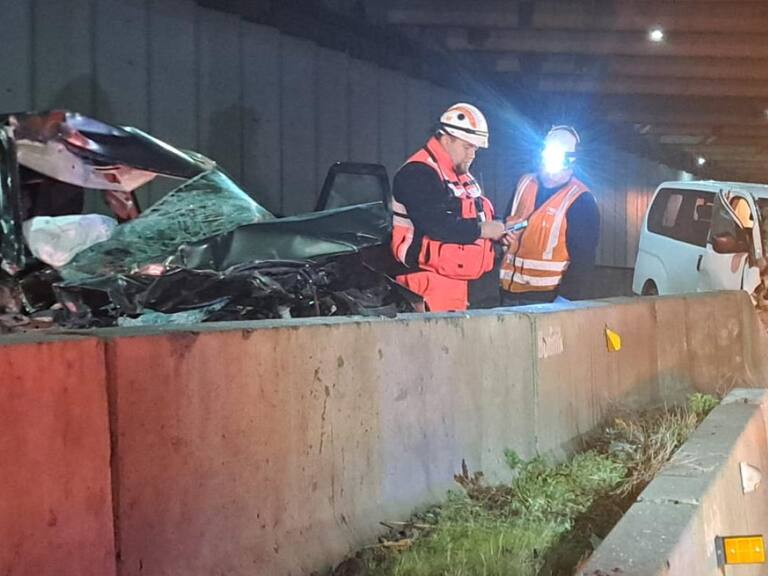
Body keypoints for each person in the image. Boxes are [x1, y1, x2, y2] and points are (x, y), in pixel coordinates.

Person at [390, 103, 506, 312]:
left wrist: (498, 231)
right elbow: (436, 223)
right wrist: (483, 230)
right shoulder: (418, 172)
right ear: (446, 138)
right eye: (467, 146)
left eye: (475, 149)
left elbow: (474, 211)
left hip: (450, 280)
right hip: (423, 282)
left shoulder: (458, 174)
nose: (472, 154)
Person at [499, 125, 600, 306]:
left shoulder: (581, 199)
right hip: (509, 291)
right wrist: (503, 237)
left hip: (547, 298)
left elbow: (583, 261)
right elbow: (508, 221)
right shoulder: (525, 183)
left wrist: (565, 302)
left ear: (571, 162)